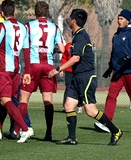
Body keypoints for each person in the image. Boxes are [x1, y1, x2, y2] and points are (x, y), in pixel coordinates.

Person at [48, 9, 123, 146]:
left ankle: (115, 131)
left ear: (74, 21)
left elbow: (76, 58)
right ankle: (72, 138)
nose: (69, 20)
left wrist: (58, 69)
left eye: (70, 18)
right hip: (77, 77)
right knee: (69, 105)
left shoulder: (81, 36)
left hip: (86, 77)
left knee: (90, 111)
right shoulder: (77, 35)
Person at [0, 0, 31, 143]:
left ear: (2, 13)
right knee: (5, 101)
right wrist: (27, 70)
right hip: (16, 69)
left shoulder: (2, 26)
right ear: (14, 11)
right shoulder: (23, 27)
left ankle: (25, 129)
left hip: (4, 68)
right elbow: (26, 50)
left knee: (5, 100)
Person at [20, 1, 65, 141]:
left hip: (33, 65)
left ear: (35, 12)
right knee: (47, 100)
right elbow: (62, 49)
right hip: (48, 66)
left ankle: (21, 129)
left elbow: (24, 45)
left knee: (23, 98)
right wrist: (52, 49)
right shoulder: (54, 27)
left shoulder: (28, 25)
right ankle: (48, 133)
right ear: (47, 12)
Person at [97, 9, 131, 134]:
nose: (119, 21)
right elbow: (114, 53)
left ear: (127, 21)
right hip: (118, 72)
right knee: (111, 96)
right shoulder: (116, 35)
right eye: (118, 18)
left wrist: (130, 56)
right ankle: (107, 123)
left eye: (121, 19)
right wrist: (110, 67)